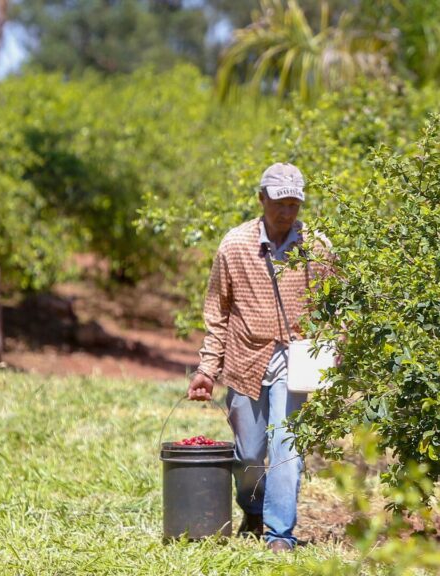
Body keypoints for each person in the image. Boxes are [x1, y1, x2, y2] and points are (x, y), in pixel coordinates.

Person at [185, 162, 336, 553]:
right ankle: (252, 509)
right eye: (279, 203)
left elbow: (336, 306)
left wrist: (335, 347)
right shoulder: (235, 245)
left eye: (293, 204)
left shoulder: (317, 247)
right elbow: (217, 311)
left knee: (287, 448)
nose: (286, 212)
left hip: (296, 364)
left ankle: (280, 534)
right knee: (248, 454)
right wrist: (207, 369)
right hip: (244, 361)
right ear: (261, 199)